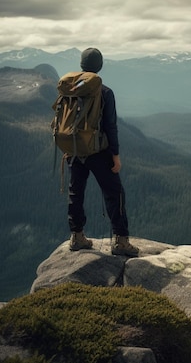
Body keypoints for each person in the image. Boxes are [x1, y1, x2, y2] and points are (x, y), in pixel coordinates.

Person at [66, 47, 139, 256]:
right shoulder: (105, 92)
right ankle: (121, 241)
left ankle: (77, 236)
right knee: (115, 193)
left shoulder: (71, 89)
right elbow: (110, 126)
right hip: (98, 151)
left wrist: (69, 146)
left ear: (82, 65)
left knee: (76, 191)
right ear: (100, 66)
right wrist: (115, 155)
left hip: (75, 149)